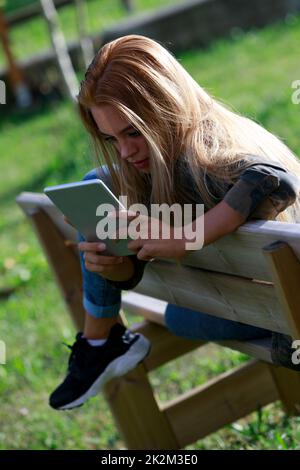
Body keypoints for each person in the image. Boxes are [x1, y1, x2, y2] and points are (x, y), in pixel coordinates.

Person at [49, 35, 300, 410]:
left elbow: (274, 180)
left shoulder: (207, 156)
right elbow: (131, 273)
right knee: (95, 185)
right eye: (111, 138)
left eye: (134, 132)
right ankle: (101, 341)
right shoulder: (157, 169)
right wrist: (116, 268)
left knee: (178, 318)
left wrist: (187, 237)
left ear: (168, 106)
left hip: (283, 318)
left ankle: (99, 340)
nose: (126, 151)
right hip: (267, 303)